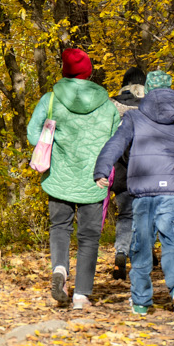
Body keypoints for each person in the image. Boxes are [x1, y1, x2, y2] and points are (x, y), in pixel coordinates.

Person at [94, 69, 174, 315]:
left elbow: (115, 144)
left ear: (148, 90)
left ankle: (141, 301)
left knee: (141, 244)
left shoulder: (134, 118)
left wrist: (102, 170)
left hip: (143, 192)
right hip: (173, 193)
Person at [26, 48, 119, 309]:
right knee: (89, 237)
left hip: (59, 178)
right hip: (94, 180)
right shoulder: (107, 105)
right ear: (89, 72)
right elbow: (114, 143)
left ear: (65, 71)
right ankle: (81, 296)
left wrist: (54, 144)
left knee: (60, 227)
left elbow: (33, 134)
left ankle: (60, 269)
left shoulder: (51, 100)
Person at [107, 66, 148, 281]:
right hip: (146, 170)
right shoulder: (149, 106)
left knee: (125, 214)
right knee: (146, 215)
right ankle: (143, 254)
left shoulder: (112, 106)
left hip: (121, 171)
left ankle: (121, 252)